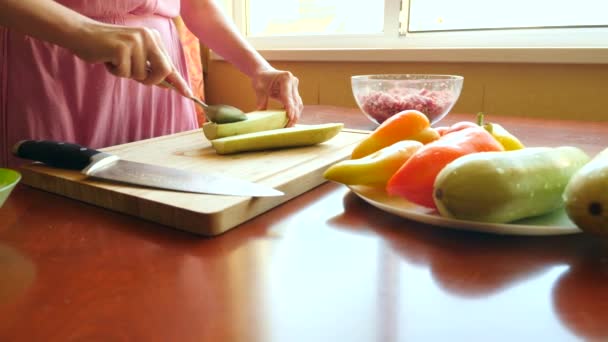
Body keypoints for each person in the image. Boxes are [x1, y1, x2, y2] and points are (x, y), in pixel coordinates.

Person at [0, 0, 304, 167]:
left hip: (159, 76)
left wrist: (258, 68)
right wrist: (83, 30)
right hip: (54, 66)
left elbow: (197, 5)